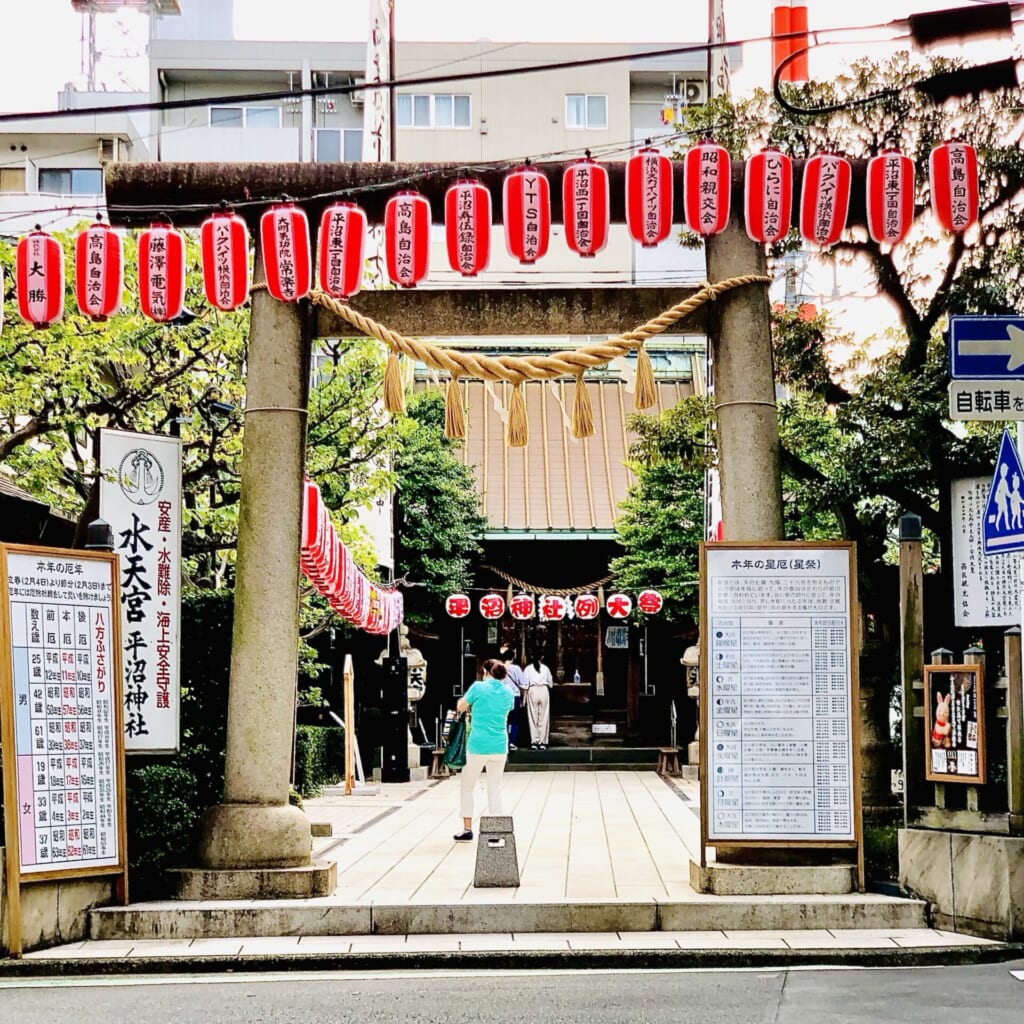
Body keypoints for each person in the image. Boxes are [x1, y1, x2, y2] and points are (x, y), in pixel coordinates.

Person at [453, 659, 514, 842]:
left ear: (486, 672)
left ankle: (466, 828)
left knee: (467, 786)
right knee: (494, 789)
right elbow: (507, 710)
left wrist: (466, 704)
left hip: (478, 745)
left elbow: (461, 706)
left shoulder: (478, 688)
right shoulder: (508, 692)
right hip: (499, 745)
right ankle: (495, 831)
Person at [523, 653, 553, 750]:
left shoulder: (528, 669)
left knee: (533, 716)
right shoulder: (545, 668)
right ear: (542, 657)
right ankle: (542, 742)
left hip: (533, 690)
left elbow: (525, 684)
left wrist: (524, 698)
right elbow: (551, 683)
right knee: (543, 717)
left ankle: (534, 741)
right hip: (544, 690)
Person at [500, 648, 527, 750]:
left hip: (502, 697)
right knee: (515, 721)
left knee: (504, 720)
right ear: (512, 658)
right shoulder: (516, 668)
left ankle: (504, 742)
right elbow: (524, 683)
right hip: (514, 696)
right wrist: (523, 699)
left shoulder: (499, 668)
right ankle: (512, 742)